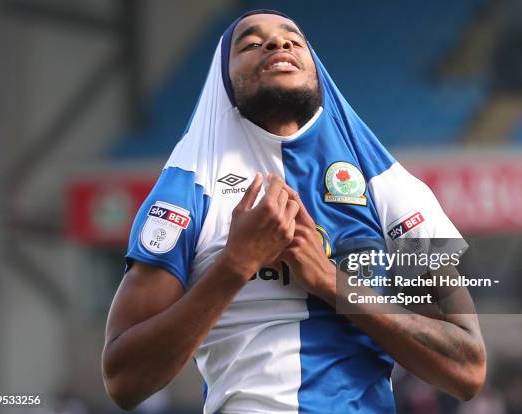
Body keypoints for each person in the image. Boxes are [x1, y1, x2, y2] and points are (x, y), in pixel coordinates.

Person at [102, 9, 486, 414]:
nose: (276, 43)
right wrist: (235, 265)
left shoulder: (390, 186)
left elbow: (465, 368)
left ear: (316, 69)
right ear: (223, 83)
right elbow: (123, 381)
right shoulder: (186, 191)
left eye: (293, 39)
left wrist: (330, 282)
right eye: (251, 43)